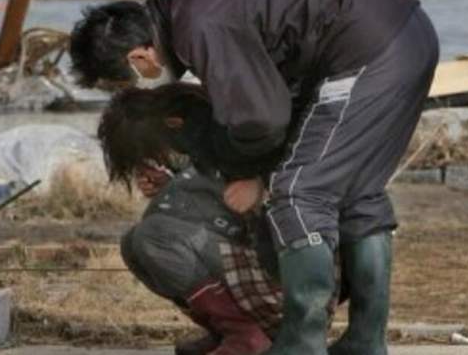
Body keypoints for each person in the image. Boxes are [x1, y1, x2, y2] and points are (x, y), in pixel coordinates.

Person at [70, 0, 440, 354]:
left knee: (300, 193)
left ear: (140, 59)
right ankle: (365, 340)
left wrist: (255, 177)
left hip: (367, 49)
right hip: (404, 32)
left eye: (125, 81)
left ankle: (301, 342)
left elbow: (263, 119)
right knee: (357, 192)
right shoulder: (192, 3)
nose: (140, 86)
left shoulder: (200, 26)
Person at [100, 84, 339, 355]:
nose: (159, 159)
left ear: (171, 124)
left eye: (154, 153)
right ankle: (229, 330)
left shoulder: (232, 136)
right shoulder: (209, 135)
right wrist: (171, 184)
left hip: (295, 283)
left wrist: (174, 189)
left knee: (153, 237)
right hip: (273, 269)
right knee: (132, 244)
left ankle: (245, 335)